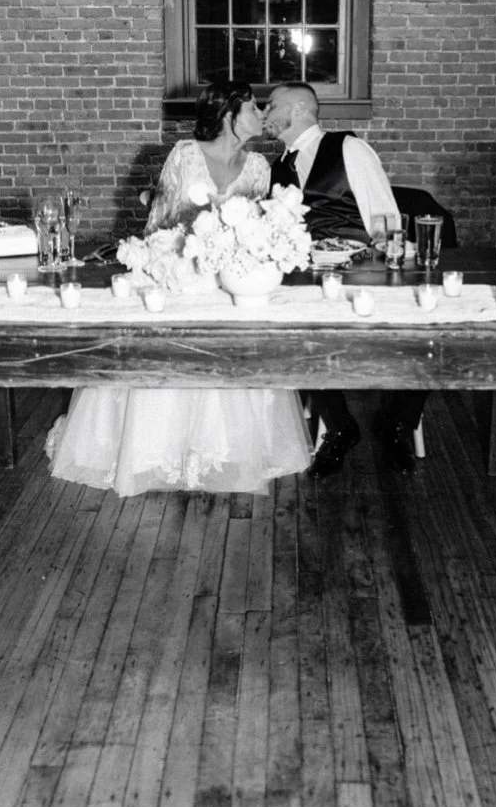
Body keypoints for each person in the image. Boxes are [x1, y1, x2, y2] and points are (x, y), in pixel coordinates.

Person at [46, 80, 313, 496]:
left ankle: (224, 450)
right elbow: (159, 224)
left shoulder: (260, 166)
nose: (261, 115)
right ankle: (152, 450)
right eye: (252, 108)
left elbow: (257, 229)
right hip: (180, 273)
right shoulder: (186, 155)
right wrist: (182, 261)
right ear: (228, 114)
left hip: (228, 281)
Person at [262, 82, 418, 476]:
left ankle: (400, 421)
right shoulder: (277, 167)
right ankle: (340, 427)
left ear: (299, 108)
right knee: (294, 332)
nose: (265, 112)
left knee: (426, 334)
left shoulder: (349, 149)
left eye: (272, 104)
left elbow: (386, 220)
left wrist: (383, 270)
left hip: (363, 270)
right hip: (307, 277)